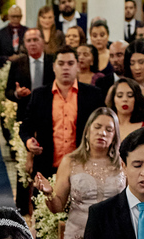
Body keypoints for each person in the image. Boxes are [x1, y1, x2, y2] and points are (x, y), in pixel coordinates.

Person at [35, 108, 125, 239]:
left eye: (109, 130)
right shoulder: (70, 162)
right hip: (78, 237)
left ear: (115, 136)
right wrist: (48, 193)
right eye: (97, 127)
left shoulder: (123, 164)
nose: (102, 133)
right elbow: (57, 208)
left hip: (115, 236)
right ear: (87, 131)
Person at [20, 47, 106, 183]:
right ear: (54, 67)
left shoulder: (93, 94)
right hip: (47, 166)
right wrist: (30, 143)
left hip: (83, 168)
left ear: (77, 66)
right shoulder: (39, 95)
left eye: (70, 64)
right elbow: (26, 127)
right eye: (61, 64)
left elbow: (103, 126)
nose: (65, 68)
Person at [4, 28, 54, 117]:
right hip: (25, 112)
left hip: (50, 110)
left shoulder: (53, 62)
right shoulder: (17, 63)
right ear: (25, 44)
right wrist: (17, 94)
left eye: (35, 40)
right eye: (29, 41)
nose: (32, 43)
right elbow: (8, 91)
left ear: (43, 41)